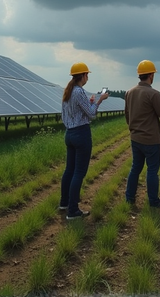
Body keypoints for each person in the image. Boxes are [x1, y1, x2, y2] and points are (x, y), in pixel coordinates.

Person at [124, 59, 160, 208]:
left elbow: (127, 115)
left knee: (136, 167)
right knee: (152, 170)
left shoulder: (129, 92)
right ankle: (153, 201)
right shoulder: (153, 94)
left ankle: (129, 198)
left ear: (139, 75)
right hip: (151, 140)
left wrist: (134, 129)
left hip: (135, 138)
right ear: (151, 75)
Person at [60, 61, 108, 220]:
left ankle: (64, 203)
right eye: (87, 74)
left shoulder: (68, 91)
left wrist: (91, 103)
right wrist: (99, 101)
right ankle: (73, 211)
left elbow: (69, 114)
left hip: (69, 134)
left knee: (69, 170)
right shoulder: (79, 91)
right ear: (82, 76)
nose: (88, 77)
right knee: (79, 173)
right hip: (81, 134)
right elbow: (92, 115)